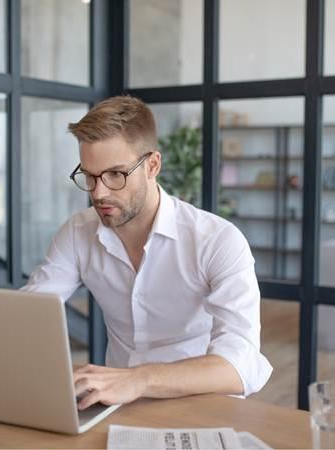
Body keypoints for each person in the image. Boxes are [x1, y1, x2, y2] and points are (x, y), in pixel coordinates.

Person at [22, 95, 272, 410]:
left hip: (201, 407)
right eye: (89, 175)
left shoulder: (217, 240)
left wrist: (139, 379)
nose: (98, 193)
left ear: (152, 165)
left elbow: (241, 366)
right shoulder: (77, 232)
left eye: (116, 175)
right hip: (115, 407)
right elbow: (28, 314)